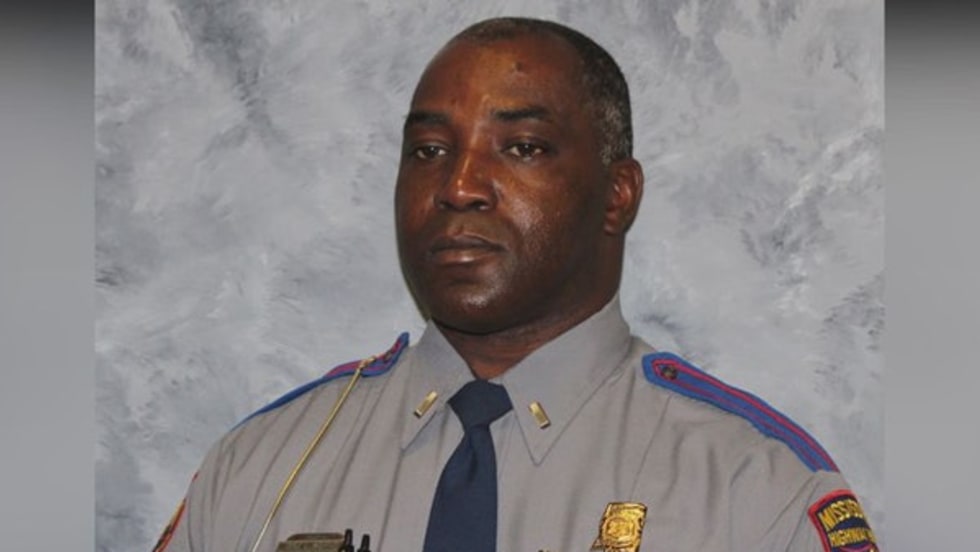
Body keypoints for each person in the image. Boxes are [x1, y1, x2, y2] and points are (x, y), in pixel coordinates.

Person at [153, 17, 876, 552]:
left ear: (617, 195)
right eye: (429, 150)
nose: (459, 185)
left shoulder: (755, 489)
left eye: (522, 147)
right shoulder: (261, 468)